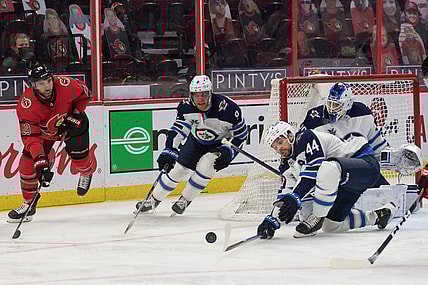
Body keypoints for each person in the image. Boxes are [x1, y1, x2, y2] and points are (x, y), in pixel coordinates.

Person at [257, 121, 397, 239]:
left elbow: (313, 171)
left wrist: (295, 198)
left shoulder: (306, 137)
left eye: (280, 142)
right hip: (345, 183)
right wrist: (272, 220)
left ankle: (317, 217)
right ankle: (379, 215)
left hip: (364, 164)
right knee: (331, 226)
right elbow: (286, 191)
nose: (279, 149)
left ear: (289, 135)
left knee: (326, 168)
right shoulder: (286, 164)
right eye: (275, 147)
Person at [135, 75, 248, 215]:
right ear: (191, 95)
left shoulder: (229, 109)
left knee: (207, 166)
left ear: (210, 93)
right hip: (196, 141)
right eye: (196, 95)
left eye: (203, 95)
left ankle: (185, 199)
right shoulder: (186, 107)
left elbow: (241, 136)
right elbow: (178, 130)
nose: (200, 100)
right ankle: (154, 200)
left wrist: (228, 152)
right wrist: (169, 150)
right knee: (177, 169)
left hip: (220, 144)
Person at [8, 64, 95, 223]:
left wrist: (75, 113)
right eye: (41, 83)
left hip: (71, 125)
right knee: (27, 164)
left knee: (79, 160)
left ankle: (86, 172)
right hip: (45, 134)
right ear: (33, 85)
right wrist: (41, 163)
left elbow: (85, 94)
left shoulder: (66, 85)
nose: (47, 86)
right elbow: (31, 138)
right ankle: (29, 204)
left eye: (48, 81)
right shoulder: (26, 105)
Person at [299, 81, 389, 186]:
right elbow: (301, 146)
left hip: (360, 168)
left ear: (348, 103)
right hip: (332, 172)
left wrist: (392, 159)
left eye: (336, 105)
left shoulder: (362, 113)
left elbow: (377, 146)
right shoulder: (314, 118)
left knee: (387, 195)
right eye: (330, 103)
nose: (331, 108)